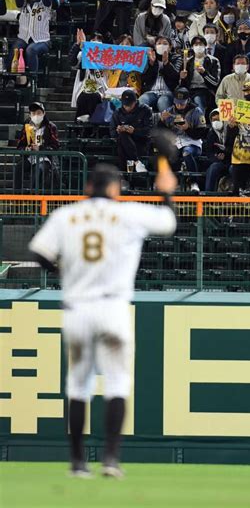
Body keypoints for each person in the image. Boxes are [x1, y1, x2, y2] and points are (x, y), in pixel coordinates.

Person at [28, 163, 177, 478]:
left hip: (77, 308)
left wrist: (63, 271)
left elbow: (38, 253)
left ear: (86, 189)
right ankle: (110, 459)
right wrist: (166, 191)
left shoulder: (66, 215)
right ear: (114, 190)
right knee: (118, 381)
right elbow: (167, 223)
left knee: (78, 384)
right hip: (114, 308)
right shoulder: (129, 214)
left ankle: (78, 463)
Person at [161, 87, 207, 192]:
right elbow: (160, 131)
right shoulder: (169, 111)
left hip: (192, 142)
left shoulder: (196, 111)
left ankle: (193, 182)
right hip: (176, 141)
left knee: (187, 153)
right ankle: (172, 182)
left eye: (182, 103)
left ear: (188, 100)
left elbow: (202, 133)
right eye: (177, 103)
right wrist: (162, 121)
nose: (179, 105)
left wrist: (187, 129)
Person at [9, 0, 54, 73]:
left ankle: (33, 80)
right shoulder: (23, 3)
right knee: (15, 49)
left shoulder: (45, 4)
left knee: (31, 50)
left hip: (42, 40)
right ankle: (10, 79)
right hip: (24, 38)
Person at [14, 101, 59, 191]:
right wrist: (26, 149)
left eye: (38, 113)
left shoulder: (51, 127)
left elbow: (55, 146)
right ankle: (17, 196)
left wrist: (41, 148)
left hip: (45, 158)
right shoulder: (27, 126)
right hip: (30, 157)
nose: (36, 115)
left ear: (44, 113)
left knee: (38, 169)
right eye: (33, 113)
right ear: (30, 115)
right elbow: (20, 145)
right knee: (18, 168)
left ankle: (34, 196)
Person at [69, 30, 108, 121]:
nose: (96, 43)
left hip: (100, 91)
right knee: (85, 97)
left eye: (99, 41)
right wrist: (78, 44)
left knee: (94, 97)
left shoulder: (106, 58)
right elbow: (72, 61)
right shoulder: (82, 54)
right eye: (93, 40)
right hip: (82, 90)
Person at [110, 90, 152, 172]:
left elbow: (149, 131)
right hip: (123, 142)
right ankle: (137, 162)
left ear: (135, 102)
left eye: (129, 105)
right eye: (125, 105)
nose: (127, 107)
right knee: (122, 136)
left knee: (122, 144)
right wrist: (118, 130)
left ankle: (123, 179)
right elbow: (112, 132)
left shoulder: (145, 110)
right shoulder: (118, 112)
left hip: (140, 143)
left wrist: (134, 131)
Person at [179, 35, 221, 113]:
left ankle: (201, 121)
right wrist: (182, 78)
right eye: (196, 44)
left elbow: (215, 82)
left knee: (198, 98)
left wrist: (204, 73)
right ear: (192, 47)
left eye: (201, 44)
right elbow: (182, 85)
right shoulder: (187, 62)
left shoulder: (213, 61)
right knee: (179, 97)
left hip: (205, 90)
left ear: (205, 46)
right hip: (190, 90)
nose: (198, 46)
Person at [139, 37, 182, 113]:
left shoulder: (176, 57)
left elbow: (175, 76)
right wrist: (151, 64)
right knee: (142, 100)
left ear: (170, 47)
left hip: (168, 92)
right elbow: (144, 78)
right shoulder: (149, 57)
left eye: (165, 44)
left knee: (162, 102)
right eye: (159, 43)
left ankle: (168, 123)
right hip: (151, 92)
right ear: (155, 46)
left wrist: (166, 63)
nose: (162, 45)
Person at [204, 109, 229, 191]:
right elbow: (209, 151)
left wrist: (225, 153)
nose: (216, 122)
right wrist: (216, 157)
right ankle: (208, 197)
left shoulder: (230, 130)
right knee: (213, 167)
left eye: (218, 119)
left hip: (231, 161)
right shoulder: (211, 133)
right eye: (213, 120)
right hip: (218, 162)